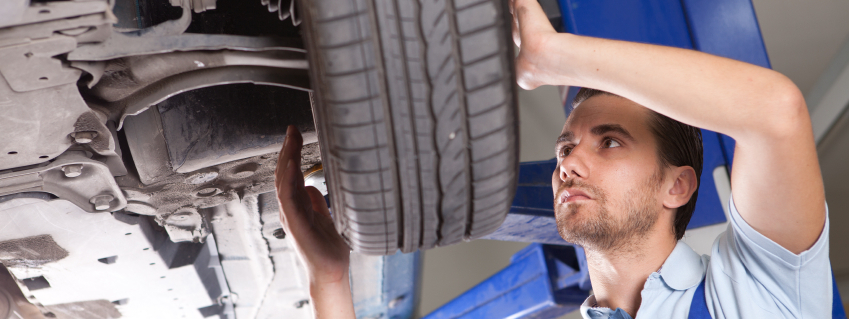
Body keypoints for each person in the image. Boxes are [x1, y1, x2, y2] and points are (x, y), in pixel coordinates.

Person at [273, 0, 831, 317]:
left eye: (609, 141)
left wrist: (553, 58)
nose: (568, 162)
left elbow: (775, 112)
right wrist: (330, 280)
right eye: (567, 146)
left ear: (678, 185)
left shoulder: (762, 292)